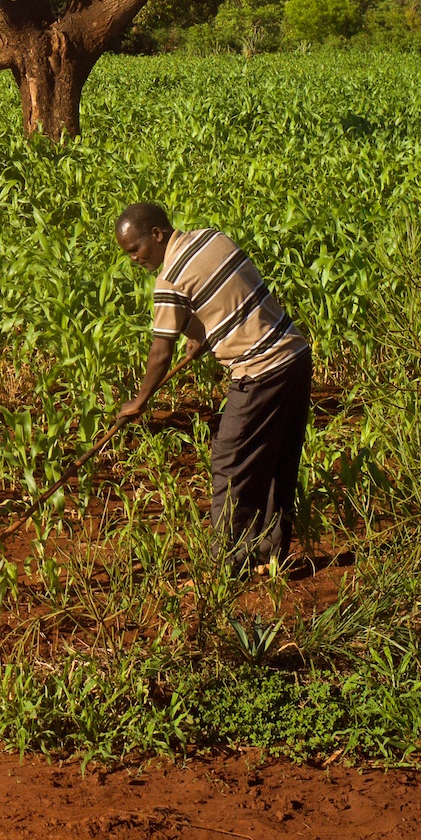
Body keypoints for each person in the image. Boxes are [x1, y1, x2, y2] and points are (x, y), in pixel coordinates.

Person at [111, 201, 312, 572]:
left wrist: (139, 401)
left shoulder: (169, 278)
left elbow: (160, 352)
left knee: (230, 461)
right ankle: (271, 557)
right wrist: (205, 336)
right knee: (278, 460)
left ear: (157, 234)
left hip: (260, 371)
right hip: (295, 356)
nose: (134, 259)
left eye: (135, 249)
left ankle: (226, 568)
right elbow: (227, 299)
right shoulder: (212, 238)